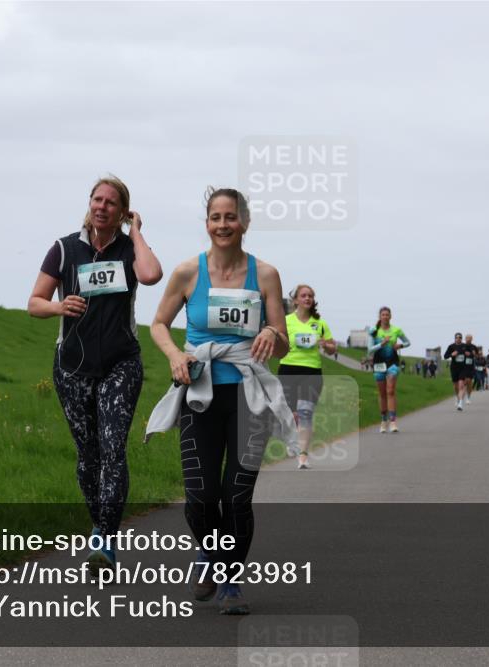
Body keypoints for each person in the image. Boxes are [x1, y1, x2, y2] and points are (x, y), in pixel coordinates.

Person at [147, 187, 292, 615]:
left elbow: (281, 342)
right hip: (201, 393)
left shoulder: (265, 275)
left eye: (231, 217)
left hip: (249, 394)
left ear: (244, 223)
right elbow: (158, 324)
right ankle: (209, 554)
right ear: (207, 223)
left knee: (237, 495)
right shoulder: (187, 273)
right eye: (215, 217)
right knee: (200, 495)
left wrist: (270, 333)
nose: (223, 225)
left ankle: (230, 578)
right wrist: (175, 354)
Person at [28, 175, 163, 572]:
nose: (101, 206)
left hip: (121, 363)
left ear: (122, 211)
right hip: (71, 367)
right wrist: (58, 307)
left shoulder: (129, 250)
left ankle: (105, 539)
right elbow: (35, 302)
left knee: (113, 448)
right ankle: (97, 525)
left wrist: (136, 233)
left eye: (111, 202)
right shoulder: (65, 249)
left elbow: (152, 274)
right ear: (89, 204)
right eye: (96, 199)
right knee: (88, 456)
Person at [278, 284, 337, 470]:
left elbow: (333, 348)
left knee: (305, 412)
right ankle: (292, 440)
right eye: (303, 295)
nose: (307, 298)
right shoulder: (285, 321)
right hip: (288, 369)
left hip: (311, 371)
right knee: (292, 413)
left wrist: (325, 345)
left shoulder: (320, 324)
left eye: (310, 295)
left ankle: (303, 456)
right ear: (295, 300)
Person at [368, 307, 410, 432]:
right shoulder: (374, 331)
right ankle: (383, 421)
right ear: (380, 317)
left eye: (387, 314)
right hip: (379, 364)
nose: (385, 316)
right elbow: (369, 350)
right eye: (383, 314)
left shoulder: (396, 330)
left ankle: (393, 422)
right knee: (382, 393)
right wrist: (382, 344)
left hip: (392, 363)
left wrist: (400, 345)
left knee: (390, 391)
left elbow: (408, 342)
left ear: (390, 317)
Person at [444, 332, 468, 410]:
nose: (458, 339)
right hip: (454, 368)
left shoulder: (465, 346)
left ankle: (460, 403)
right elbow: (445, 356)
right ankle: (457, 397)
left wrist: (469, 353)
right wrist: (452, 354)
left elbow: (470, 354)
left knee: (461, 385)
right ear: (455, 338)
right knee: (455, 386)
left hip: (463, 368)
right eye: (457, 337)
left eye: (460, 337)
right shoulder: (451, 346)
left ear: (462, 338)